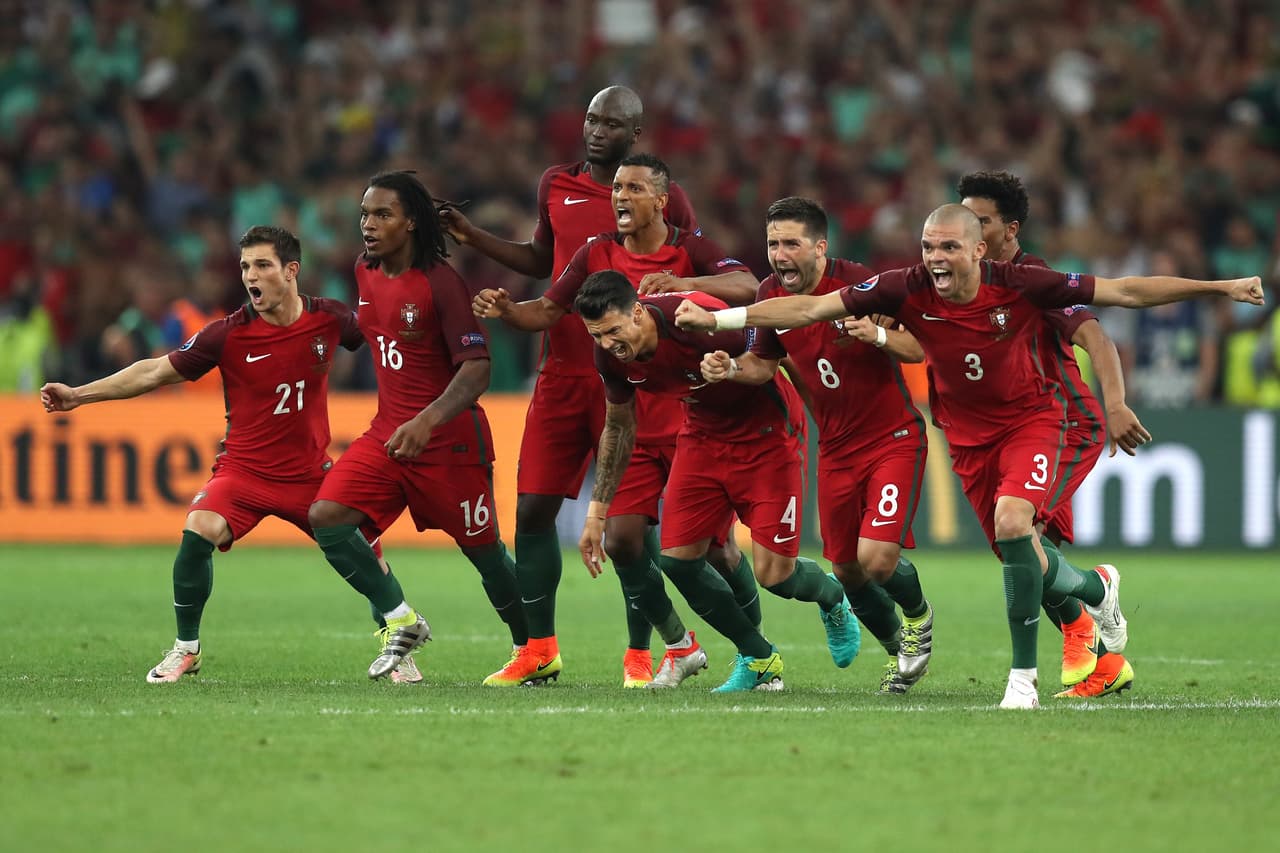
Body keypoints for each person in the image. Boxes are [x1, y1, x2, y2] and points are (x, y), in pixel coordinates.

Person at [675, 203, 1265, 708]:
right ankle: (1095, 589)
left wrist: (1220, 288)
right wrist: (718, 320)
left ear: (980, 249)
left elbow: (1125, 292)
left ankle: (1023, 679)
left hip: (1027, 424)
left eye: (949, 247)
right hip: (963, 438)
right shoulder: (903, 286)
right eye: (928, 247)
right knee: (1009, 550)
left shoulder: (1022, 283)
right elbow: (805, 310)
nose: (936, 258)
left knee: (1011, 528)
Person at [441, 86, 700, 685]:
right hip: (561, 371)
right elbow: (543, 260)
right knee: (532, 509)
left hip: (632, 377)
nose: (596, 131)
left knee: (631, 523)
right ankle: (538, 650)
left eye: (611, 123)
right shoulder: (555, 183)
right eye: (591, 119)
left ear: (635, 134)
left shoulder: (661, 194)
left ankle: (641, 654)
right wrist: (474, 237)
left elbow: (686, 262)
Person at [39, 225, 375, 682]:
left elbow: (378, 338)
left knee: (367, 550)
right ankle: (186, 648)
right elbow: (153, 372)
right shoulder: (227, 334)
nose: (250, 275)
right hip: (245, 472)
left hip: (309, 473)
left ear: (291, 270)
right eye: (245, 266)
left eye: (262, 264)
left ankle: (397, 639)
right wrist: (79, 395)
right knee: (198, 530)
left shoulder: (329, 318)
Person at [473, 153, 758, 687]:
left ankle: (748, 652)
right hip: (612, 391)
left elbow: (748, 286)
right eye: (617, 189)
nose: (621, 197)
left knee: (718, 548)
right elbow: (549, 308)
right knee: (613, 534)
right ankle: (648, 649)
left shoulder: (688, 245)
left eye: (633, 188)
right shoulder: (594, 250)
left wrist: (682, 282)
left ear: (661, 199)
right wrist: (508, 311)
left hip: (678, 405)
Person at [574, 270, 860, 692]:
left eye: (612, 331)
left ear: (637, 313)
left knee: (776, 576)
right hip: (702, 437)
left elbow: (768, 358)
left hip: (766, 437)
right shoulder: (610, 356)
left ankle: (832, 597)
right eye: (596, 335)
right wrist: (597, 512)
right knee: (678, 559)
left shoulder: (693, 319)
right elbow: (618, 427)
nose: (606, 344)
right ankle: (758, 657)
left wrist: (732, 368)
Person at [699, 197, 935, 695]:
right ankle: (899, 653)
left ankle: (918, 617)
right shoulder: (769, 296)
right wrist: (732, 367)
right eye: (772, 244)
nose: (779, 254)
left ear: (820, 247)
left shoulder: (861, 284)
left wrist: (876, 334)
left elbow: (917, 347)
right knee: (847, 570)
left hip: (892, 438)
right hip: (836, 450)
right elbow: (763, 364)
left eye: (791, 243)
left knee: (876, 560)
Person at [308, 170, 528, 682]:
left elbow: (477, 369)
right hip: (388, 435)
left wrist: (426, 421)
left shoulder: (441, 284)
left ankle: (534, 647)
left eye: (382, 214)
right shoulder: (364, 270)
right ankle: (401, 621)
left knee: (486, 556)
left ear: (410, 223)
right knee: (329, 517)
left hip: (450, 445)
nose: (368, 224)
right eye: (365, 214)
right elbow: (373, 332)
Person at [959, 170, 1146, 697]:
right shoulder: (962, 279)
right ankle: (1103, 653)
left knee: (1021, 539)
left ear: (1009, 229)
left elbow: (1096, 338)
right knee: (1022, 553)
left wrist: (1115, 403)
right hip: (999, 432)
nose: (968, 232)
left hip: (1063, 424)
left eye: (981, 221)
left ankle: (1085, 615)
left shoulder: (1033, 278)